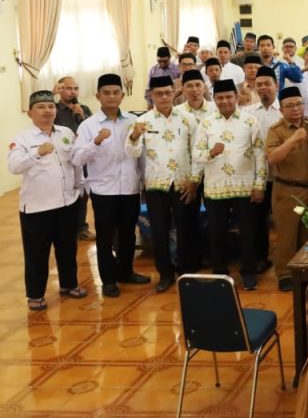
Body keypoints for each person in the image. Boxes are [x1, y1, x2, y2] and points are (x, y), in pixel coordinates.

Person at [8, 90, 87, 311]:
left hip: (67, 203)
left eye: (51, 106)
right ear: (30, 113)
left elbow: (75, 162)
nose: (47, 111)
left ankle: (69, 284)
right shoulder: (22, 138)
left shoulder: (66, 133)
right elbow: (14, 167)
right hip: (37, 207)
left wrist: (79, 187)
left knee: (67, 248)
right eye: (41, 107)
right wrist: (38, 153)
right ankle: (35, 295)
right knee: (37, 253)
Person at [72, 74, 147, 298]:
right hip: (103, 190)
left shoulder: (132, 121)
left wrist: (143, 182)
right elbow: (77, 158)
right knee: (105, 238)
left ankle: (126, 272)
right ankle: (108, 280)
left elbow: (141, 155)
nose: (111, 97)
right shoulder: (88, 126)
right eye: (106, 93)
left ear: (122, 95)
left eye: (116, 92)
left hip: (130, 187)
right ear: (98, 96)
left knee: (128, 234)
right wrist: (95, 142)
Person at [125, 75, 200, 293]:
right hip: (156, 185)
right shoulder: (142, 121)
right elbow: (132, 152)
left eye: (168, 92)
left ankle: (186, 271)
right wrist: (134, 136)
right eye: (159, 94)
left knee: (186, 228)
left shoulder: (187, 119)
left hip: (183, 183)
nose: (164, 97)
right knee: (159, 231)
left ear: (174, 93)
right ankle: (165, 274)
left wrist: (194, 181)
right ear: (151, 96)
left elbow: (197, 152)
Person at [193, 79, 267, 290]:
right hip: (215, 188)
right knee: (216, 233)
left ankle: (249, 273)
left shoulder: (250, 121)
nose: (224, 101)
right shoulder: (206, 123)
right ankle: (220, 273)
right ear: (214, 99)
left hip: (245, 186)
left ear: (236, 97)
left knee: (248, 233)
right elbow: (196, 155)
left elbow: (260, 154)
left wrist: (260, 184)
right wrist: (211, 153)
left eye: (228, 97)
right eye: (220, 98)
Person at [265, 86, 308, 292]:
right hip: (287, 190)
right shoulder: (276, 130)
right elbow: (272, 158)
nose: (295, 109)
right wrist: (294, 139)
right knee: (287, 235)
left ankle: (307, 268)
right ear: (281, 109)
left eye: (298, 104)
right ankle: (285, 273)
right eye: (290, 106)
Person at [245, 66, 283, 273]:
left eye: (267, 84)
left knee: (283, 220)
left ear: (276, 85)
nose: (263, 88)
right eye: (259, 84)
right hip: (257, 178)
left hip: (281, 176)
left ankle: (286, 259)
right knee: (258, 221)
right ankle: (261, 257)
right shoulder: (247, 113)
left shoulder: (286, 109)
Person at [54, 76, 94, 240]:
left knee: (83, 194)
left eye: (76, 89)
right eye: (69, 88)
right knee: (63, 193)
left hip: (83, 158)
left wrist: (82, 116)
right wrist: (51, 93)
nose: (73, 92)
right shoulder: (54, 109)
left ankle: (81, 228)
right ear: (60, 89)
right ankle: (64, 229)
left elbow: (93, 130)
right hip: (62, 158)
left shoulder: (84, 108)